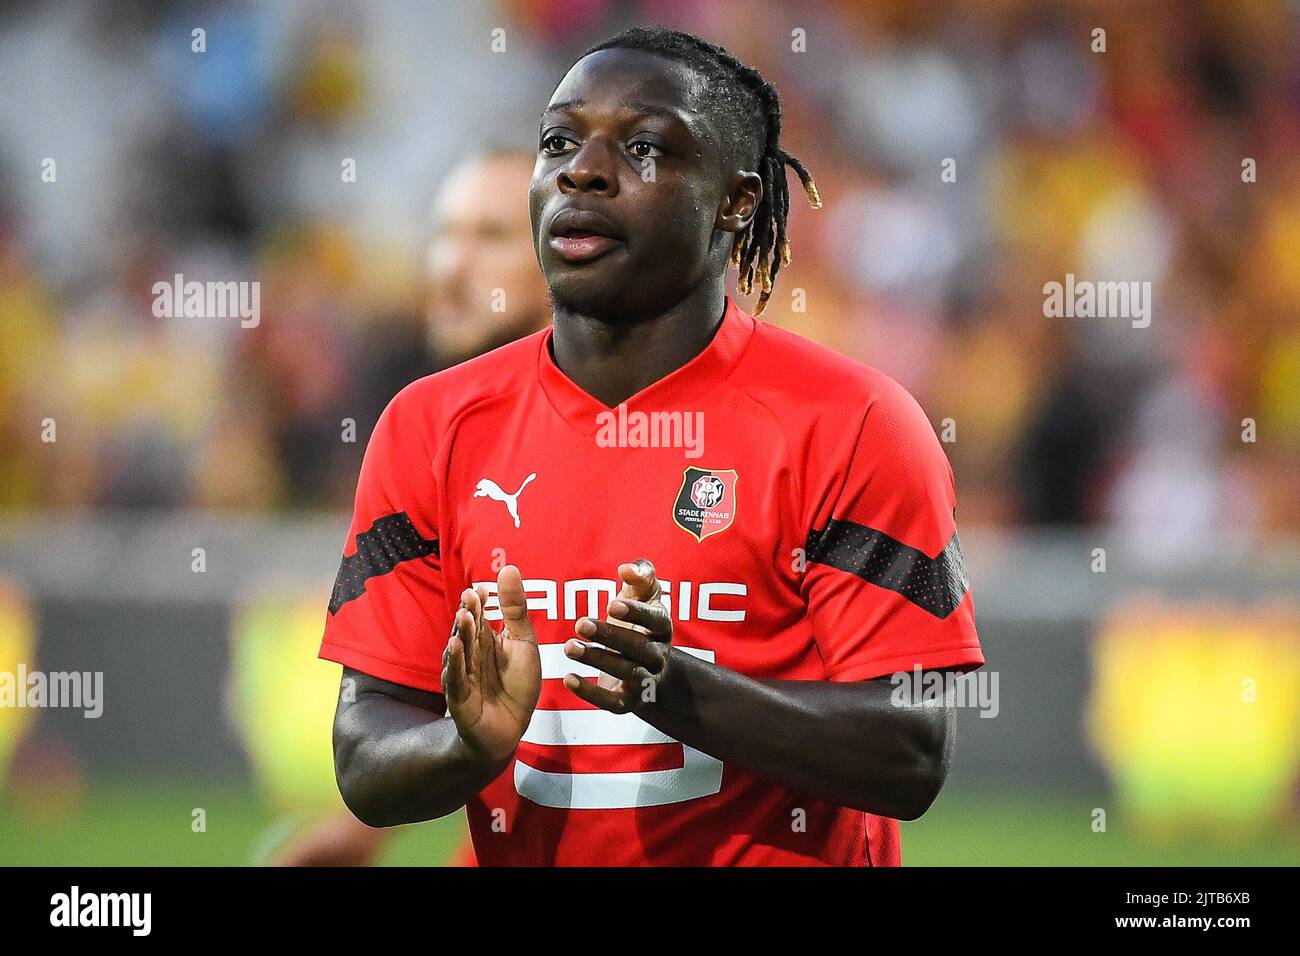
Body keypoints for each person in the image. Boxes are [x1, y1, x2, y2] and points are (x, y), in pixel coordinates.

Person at [320, 26, 982, 866]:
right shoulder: (430, 425)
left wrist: (680, 689)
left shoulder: (853, 423)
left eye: (642, 147)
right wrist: (466, 744)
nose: (582, 171)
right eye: (559, 141)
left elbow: (912, 753)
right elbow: (363, 752)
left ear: (737, 202)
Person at [271, 148, 547, 867]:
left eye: (490, 237)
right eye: (443, 234)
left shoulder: (642, 425)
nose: (451, 266)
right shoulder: (438, 430)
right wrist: (365, 825)